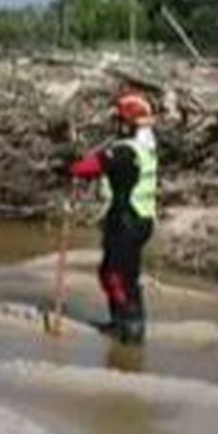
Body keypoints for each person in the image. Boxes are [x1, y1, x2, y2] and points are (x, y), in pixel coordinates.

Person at [69, 93, 159, 344]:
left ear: (127, 123)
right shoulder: (146, 147)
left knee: (115, 275)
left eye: (119, 120)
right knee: (123, 274)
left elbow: (90, 167)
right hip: (139, 220)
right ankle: (124, 323)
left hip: (127, 220)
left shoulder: (124, 151)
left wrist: (73, 169)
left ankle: (130, 329)